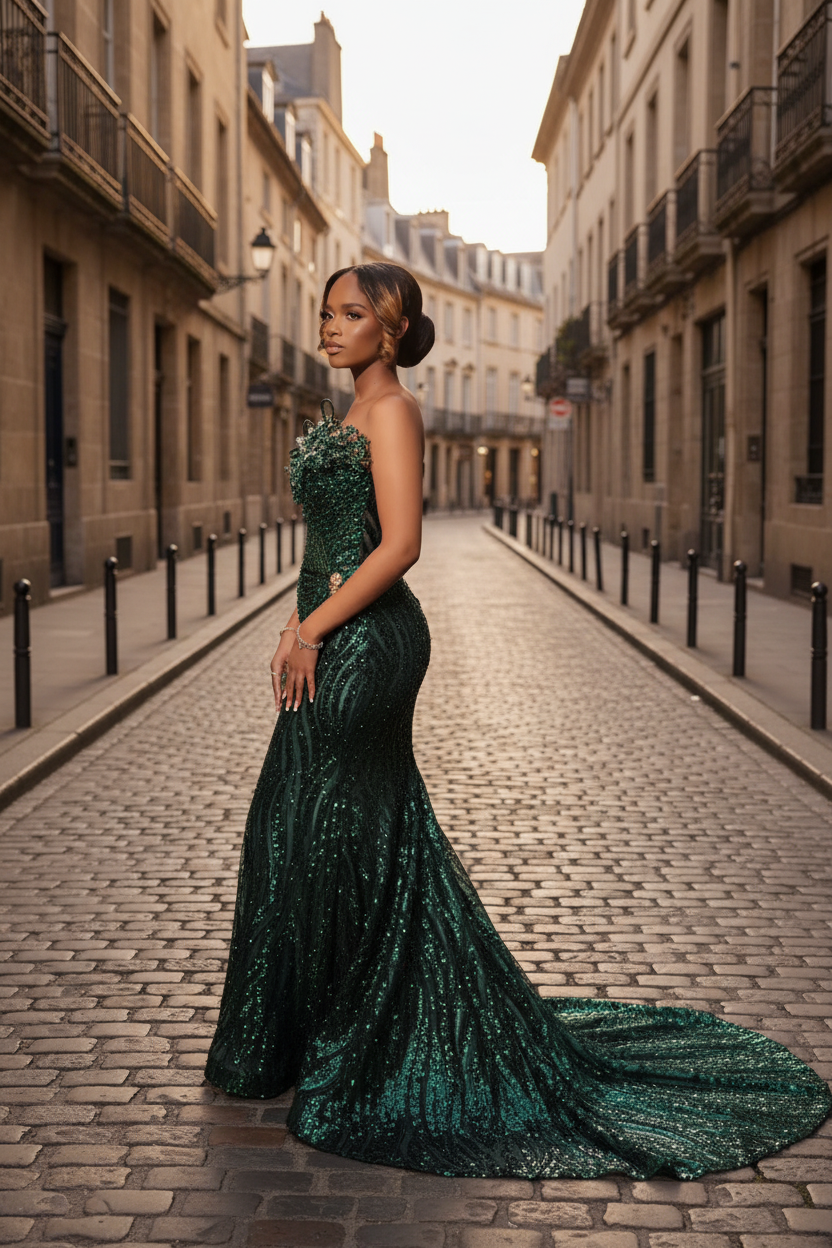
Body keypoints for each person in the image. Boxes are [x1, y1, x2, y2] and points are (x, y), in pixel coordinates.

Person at [205, 261, 830, 1178]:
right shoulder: (346, 413)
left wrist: (312, 627)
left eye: (349, 315)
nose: (329, 329)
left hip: (370, 646)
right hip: (327, 632)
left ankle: (369, 1031)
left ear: (391, 328)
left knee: (343, 824)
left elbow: (402, 545)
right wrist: (300, 623)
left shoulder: (392, 412)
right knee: (299, 822)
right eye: (326, 313)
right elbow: (329, 542)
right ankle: (303, 1029)